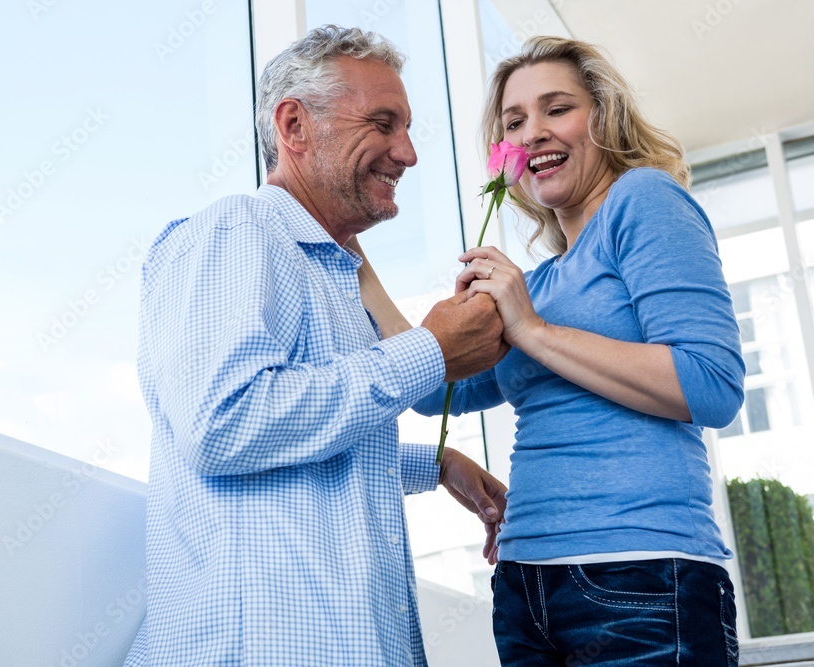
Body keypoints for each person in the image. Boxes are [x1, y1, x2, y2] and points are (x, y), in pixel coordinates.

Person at [122, 25, 509, 667]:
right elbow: (223, 425)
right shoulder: (233, 231)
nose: (407, 153)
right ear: (294, 126)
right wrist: (432, 352)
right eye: (383, 123)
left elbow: (303, 440)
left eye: (407, 128)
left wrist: (434, 466)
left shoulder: (330, 275)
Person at [358, 36, 745, 665]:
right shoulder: (535, 286)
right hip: (524, 586)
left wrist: (532, 329)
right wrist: (353, 256)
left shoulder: (641, 200)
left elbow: (710, 384)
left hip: (641, 577)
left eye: (556, 109)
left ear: (604, 116)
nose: (532, 132)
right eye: (514, 122)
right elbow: (433, 390)